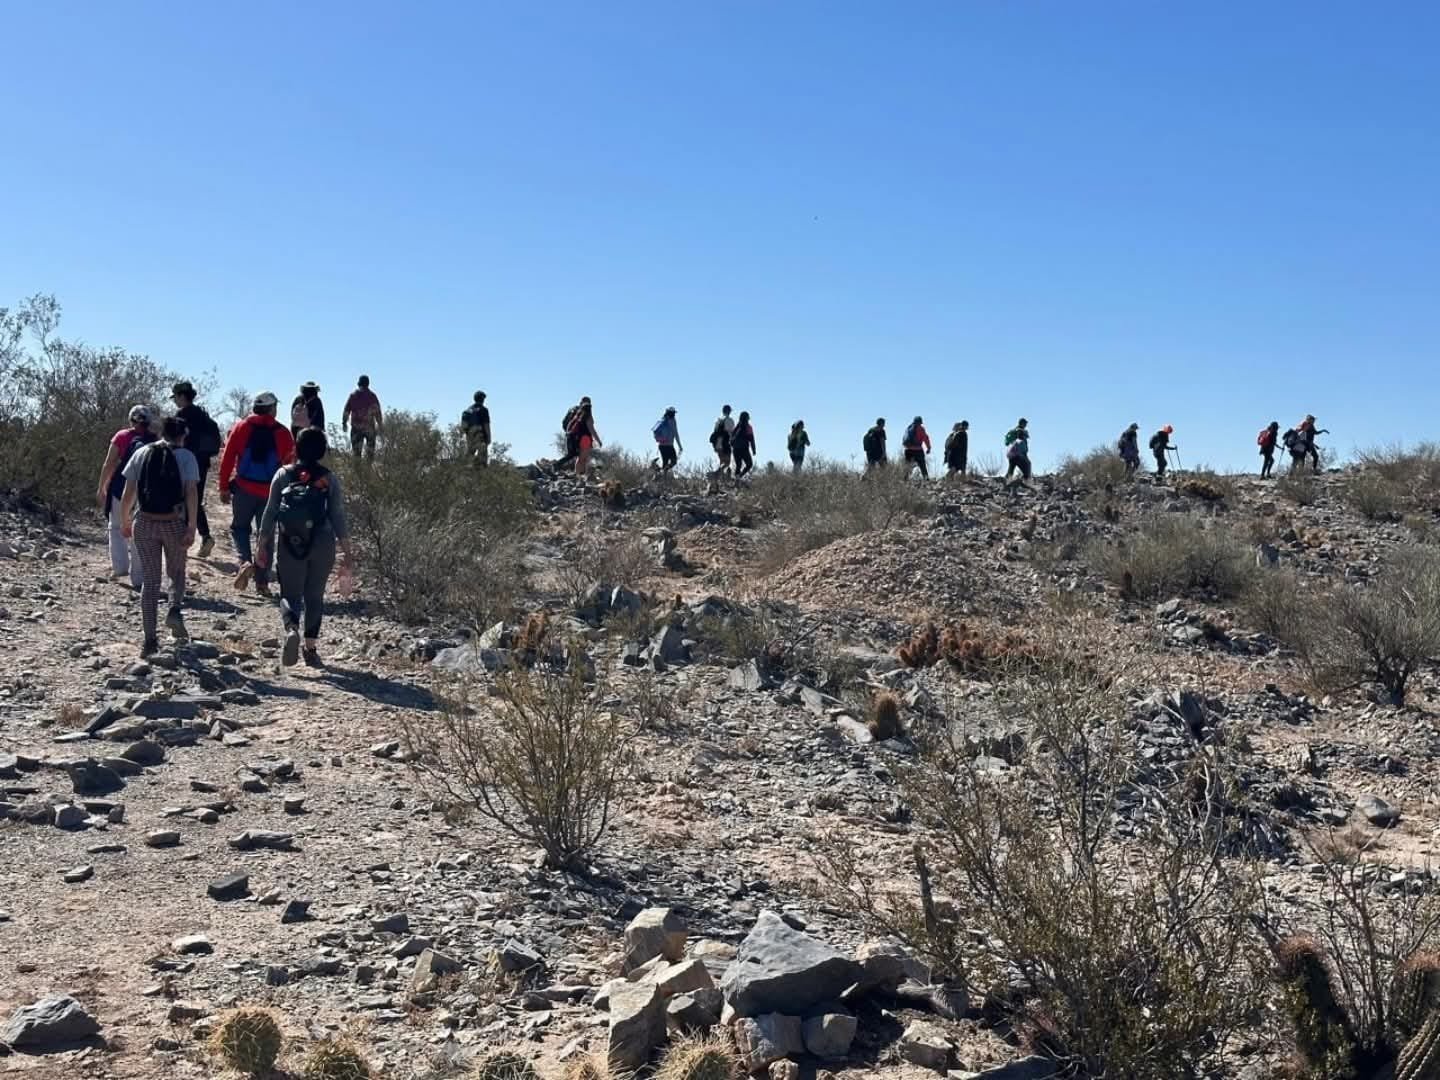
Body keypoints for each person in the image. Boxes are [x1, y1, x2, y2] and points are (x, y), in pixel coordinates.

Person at [256, 428, 354, 668]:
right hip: (322, 542)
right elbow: (337, 515)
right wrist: (347, 551)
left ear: (296, 448)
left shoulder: (282, 475)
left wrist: (262, 544)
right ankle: (310, 648)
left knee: (290, 594)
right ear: (322, 451)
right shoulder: (328, 479)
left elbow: (270, 512)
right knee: (314, 596)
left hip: (291, 541)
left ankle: (291, 629)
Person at [118, 416, 199, 657]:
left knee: (150, 581)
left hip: (144, 522)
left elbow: (129, 491)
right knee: (176, 571)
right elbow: (191, 491)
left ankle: (150, 639)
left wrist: (124, 519)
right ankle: (174, 609)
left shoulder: (141, 453)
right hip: (173, 522)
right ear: (183, 435)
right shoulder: (186, 457)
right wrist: (192, 525)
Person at [219, 392, 296, 596]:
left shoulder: (241, 427)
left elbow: (227, 458)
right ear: (272, 409)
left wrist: (223, 486)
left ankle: (244, 561)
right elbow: (290, 465)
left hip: (243, 488)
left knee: (239, 528)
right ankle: (262, 583)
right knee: (267, 535)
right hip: (271, 492)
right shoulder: (283, 433)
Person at [95, 405, 156, 587]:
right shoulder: (155, 440)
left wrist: (101, 487)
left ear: (131, 419)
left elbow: (109, 463)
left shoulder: (122, 436)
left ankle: (120, 568)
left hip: (121, 487)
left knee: (116, 527)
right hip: (146, 492)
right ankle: (139, 575)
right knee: (140, 530)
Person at [171, 382, 223, 557]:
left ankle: (183, 541)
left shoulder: (181, 416)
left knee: (182, 499)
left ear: (181, 396)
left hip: (184, 462)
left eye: (175, 397)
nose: (175, 401)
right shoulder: (202, 415)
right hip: (201, 463)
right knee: (195, 499)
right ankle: (205, 536)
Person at [341, 375, 383, 460]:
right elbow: (378, 413)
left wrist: (344, 423)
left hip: (356, 428)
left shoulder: (353, 396)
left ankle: (358, 471)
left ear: (359, 384)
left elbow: (346, 410)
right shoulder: (372, 396)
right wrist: (380, 425)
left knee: (356, 454)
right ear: (368, 384)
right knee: (370, 454)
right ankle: (368, 471)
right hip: (369, 428)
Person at [553, 396, 591, 474]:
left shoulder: (572, 409)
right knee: (575, 454)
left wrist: (567, 431)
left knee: (576, 454)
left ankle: (579, 472)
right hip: (576, 435)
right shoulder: (581, 411)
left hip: (570, 433)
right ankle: (557, 465)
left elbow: (564, 422)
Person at [571, 398, 602, 478]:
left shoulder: (578, 415)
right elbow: (592, 430)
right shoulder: (588, 416)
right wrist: (598, 441)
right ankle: (579, 476)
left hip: (579, 438)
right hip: (586, 439)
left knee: (581, 458)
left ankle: (579, 474)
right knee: (583, 459)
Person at [461, 391, 492, 465]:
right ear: (482, 399)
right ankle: (480, 472)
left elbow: (464, 427)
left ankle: (466, 469)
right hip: (480, 435)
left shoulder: (467, 411)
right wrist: (489, 437)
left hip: (469, 435)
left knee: (470, 454)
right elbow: (486, 425)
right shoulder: (483, 410)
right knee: (482, 457)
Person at [652, 406, 682, 472]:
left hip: (662, 446)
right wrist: (680, 446)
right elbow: (676, 434)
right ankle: (661, 475)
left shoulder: (662, 420)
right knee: (673, 462)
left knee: (665, 464)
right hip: (668, 445)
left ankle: (659, 472)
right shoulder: (672, 421)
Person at [1004, 418, 1031, 486]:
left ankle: (1006, 483)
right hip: (1018, 454)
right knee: (1027, 467)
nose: (1026, 425)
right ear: (1022, 423)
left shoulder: (1015, 431)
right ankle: (1026, 483)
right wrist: (1021, 453)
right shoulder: (1020, 431)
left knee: (1011, 468)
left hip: (1012, 454)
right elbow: (1019, 442)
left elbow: (1013, 443)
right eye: (1025, 423)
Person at [710, 405, 735, 475]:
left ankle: (719, 480)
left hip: (717, 444)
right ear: (729, 411)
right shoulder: (729, 420)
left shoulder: (718, 420)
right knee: (727, 462)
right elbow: (732, 432)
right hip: (725, 443)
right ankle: (716, 474)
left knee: (722, 462)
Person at [732, 411, 756, 479]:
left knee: (738, 465)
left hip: (735, 449)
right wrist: (754, 450)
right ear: (747, 418)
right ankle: (740, 476)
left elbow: (732, 438)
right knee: (749, 464)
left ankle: (736, 479)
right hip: (744, 449)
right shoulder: (748, 427)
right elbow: (752, 439)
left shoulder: (736, 427)